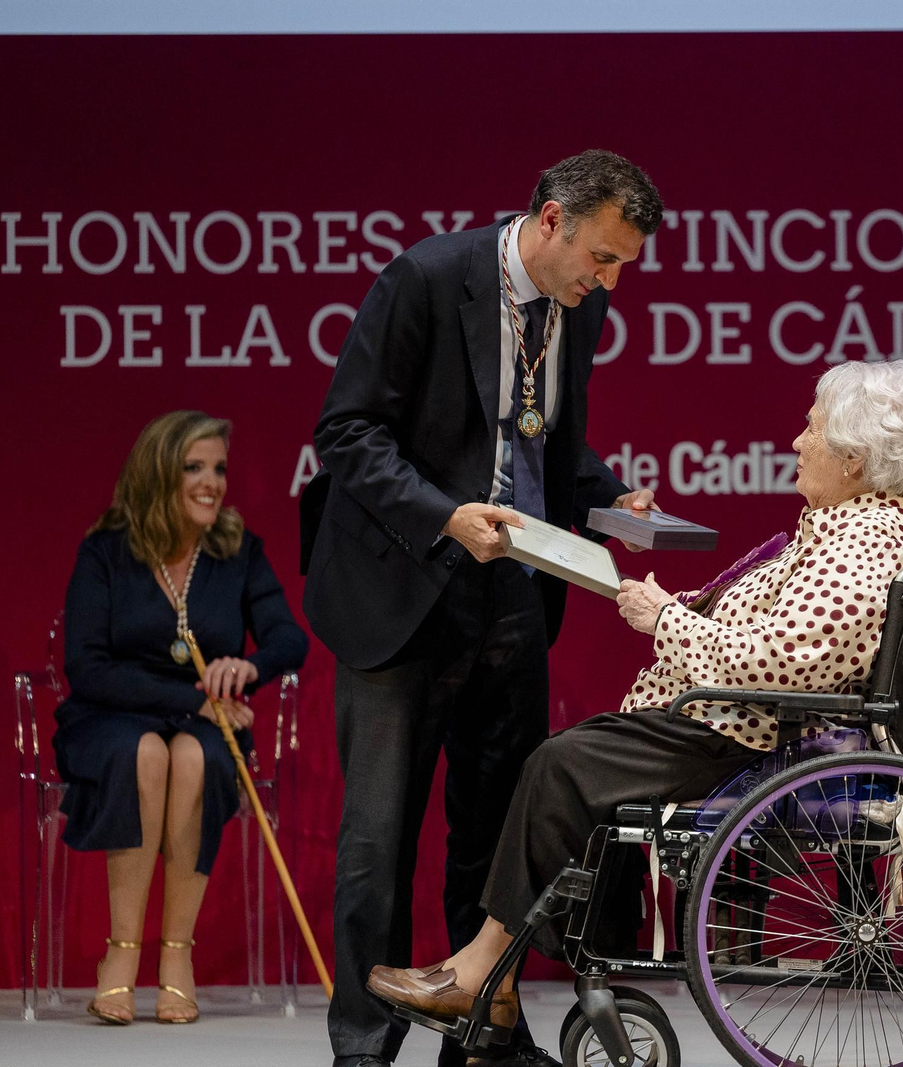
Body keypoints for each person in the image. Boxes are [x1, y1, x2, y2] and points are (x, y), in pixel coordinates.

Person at [363, 359, 903, 1031]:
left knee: (560, 766)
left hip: (749, 733)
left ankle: (487, 972)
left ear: (852, 458)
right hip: (740, 719)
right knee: (575, 764)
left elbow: (787, 663)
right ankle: (513, 973)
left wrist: (665, 619)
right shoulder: (865, 525)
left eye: (811, 429)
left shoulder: (862, 541)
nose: (796, 443)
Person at [304, 150, 663, 1067]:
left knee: (498, 834)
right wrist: (444, 515)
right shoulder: (426, 278)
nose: (611, 279)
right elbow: (346, 431)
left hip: (512, 592)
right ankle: (362, 1044)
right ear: (552, 220)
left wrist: (618, 502)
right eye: (605, 257)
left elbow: (547, 452)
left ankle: (485, 1036)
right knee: (377, 840)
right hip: (405, 587)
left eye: (622, 263)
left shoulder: (579, 308)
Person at [53, 410, 308, 1025]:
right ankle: (120, 956)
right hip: (111, 715)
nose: (211, 482)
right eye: (195, 467)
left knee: (192, 755)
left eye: (218, 468)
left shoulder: (236, 551)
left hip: (203, 726)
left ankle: (176, 958)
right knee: (144, 752)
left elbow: (287, 639)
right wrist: (194, 699)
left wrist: (247, 669)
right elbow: (87, 668)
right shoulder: (107, 551)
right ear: (158, 471)